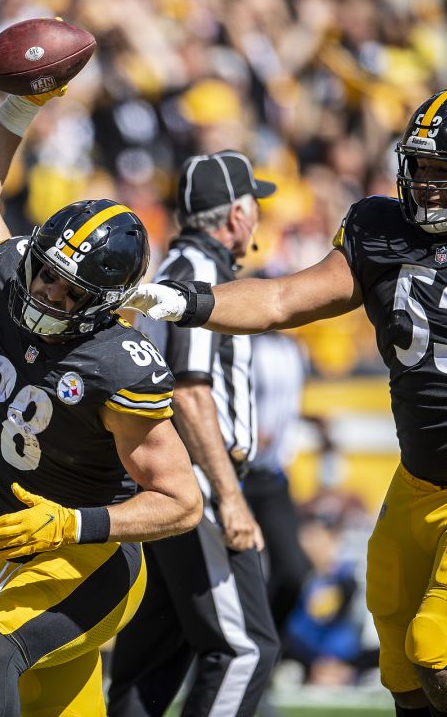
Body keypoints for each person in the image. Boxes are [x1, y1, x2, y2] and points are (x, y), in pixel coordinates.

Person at [126, 86, 447, 717]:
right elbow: (280, 301)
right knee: (403, 672)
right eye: (421, 167)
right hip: (416, 482)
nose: (428, 185)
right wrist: (186, 300)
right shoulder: (380, 230)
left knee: (438, 653)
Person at [0, 83, 203, 717]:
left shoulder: (117, 363)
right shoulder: (8, 281)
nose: (49, 295)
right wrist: (21, 106)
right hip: (11, 549)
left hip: (88, 560)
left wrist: (71, 523)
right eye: (48, 276)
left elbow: (182, 502)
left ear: (108, 304)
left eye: (72, 293)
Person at [110, 151, 280, 717]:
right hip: (198, 486)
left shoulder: (172, 272)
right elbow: (190, 391)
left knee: (155, 655)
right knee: (244, 649)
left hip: (163, 483)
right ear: (236, 215)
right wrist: (230, 497)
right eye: (254, 204)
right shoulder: (198, 278)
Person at [246, 329, 312, 634]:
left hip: (272, 475)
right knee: (236, 575)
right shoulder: (246, 343)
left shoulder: (294, 349)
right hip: (236, 475)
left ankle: (267, 645)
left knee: (292, 572)